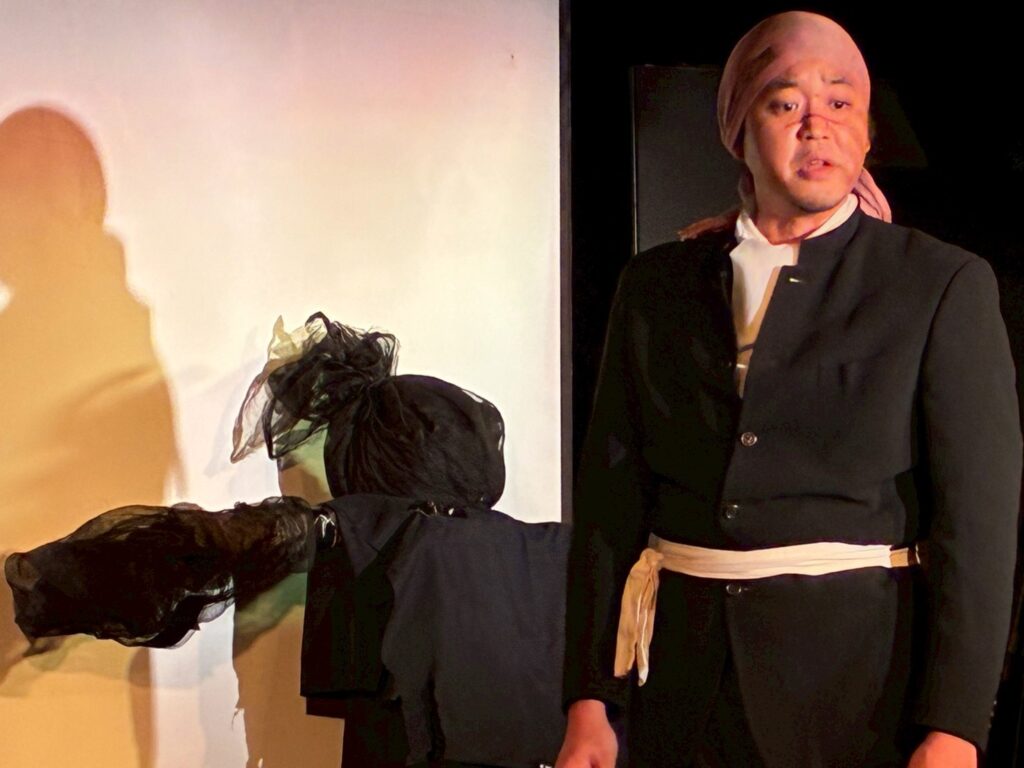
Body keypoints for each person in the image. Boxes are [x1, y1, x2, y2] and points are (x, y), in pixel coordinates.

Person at [557, 11, 1022, 768]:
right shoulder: (656, 287)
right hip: (681, 692)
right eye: (785, 103)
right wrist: (588, 702)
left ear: (866, 133)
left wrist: (955, 728)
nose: (817, 125)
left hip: (857, 699)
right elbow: (611, 504)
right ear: (739, 129)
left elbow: (979, 528)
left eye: (840, 102)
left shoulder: (936, 284)